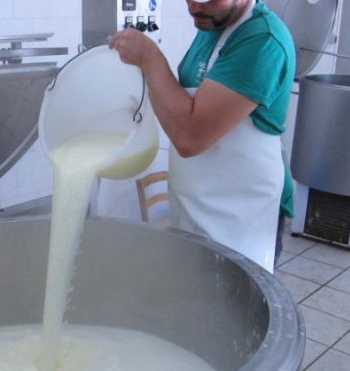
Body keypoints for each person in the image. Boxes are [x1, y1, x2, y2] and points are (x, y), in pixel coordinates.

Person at [109, 0, 295, 273]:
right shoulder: (213, 24)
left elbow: (190, 136)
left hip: (240, 216)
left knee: (234, 293)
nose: (194, 6)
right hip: (198, 207)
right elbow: (186, 102)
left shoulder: (263, 40)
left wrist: (149, 57)